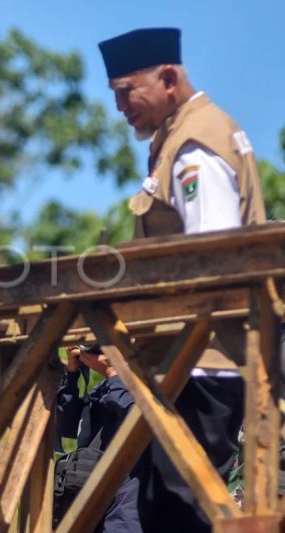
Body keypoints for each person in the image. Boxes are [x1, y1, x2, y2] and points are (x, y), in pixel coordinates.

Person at [98, 28, 263, 532]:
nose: (122, 107)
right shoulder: (181, 140)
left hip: (202, 363)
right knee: (161, 510)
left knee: (181, 515)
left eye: (128, 92)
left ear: (168, 77)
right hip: (187, 363)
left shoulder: (195, 146)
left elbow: (209, 259)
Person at [55, 345, 140, 532]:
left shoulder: (150, 385)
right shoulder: (105, 387)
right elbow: (68, 426)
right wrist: (73, 372)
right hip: (93, 498)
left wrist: (112, 372)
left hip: (127, 504)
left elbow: (134, 417)